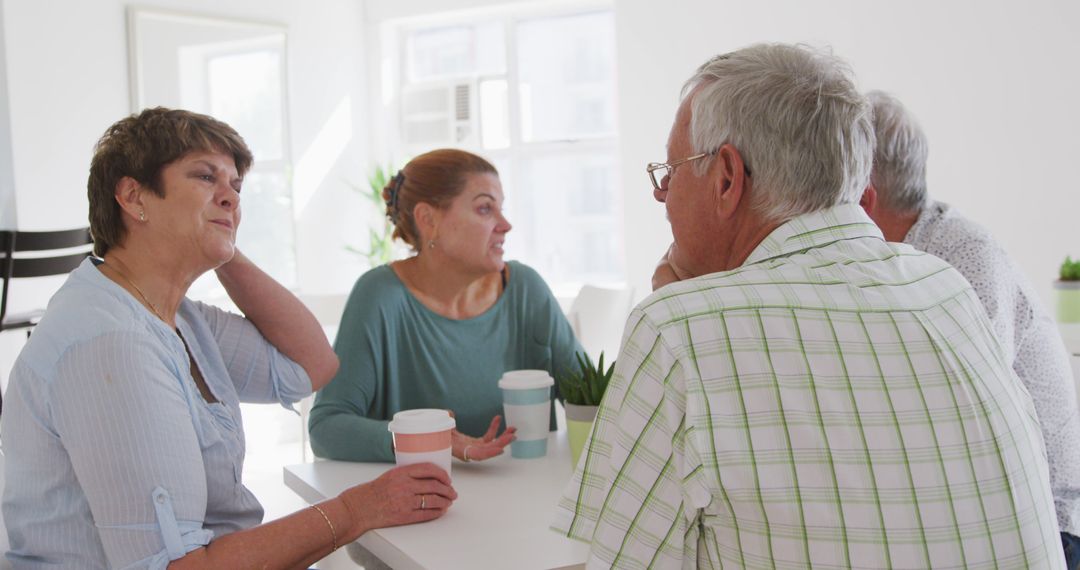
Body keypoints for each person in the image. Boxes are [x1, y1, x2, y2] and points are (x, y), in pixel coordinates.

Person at [553, 44, 1063, 568]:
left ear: (727, 178)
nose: (662, 196)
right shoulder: (948, 290)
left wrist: (684, 305)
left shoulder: (675, 330)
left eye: (671, 170)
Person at [1, 108, 457, 569]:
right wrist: (357, 509)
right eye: (205, 177)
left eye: (236, 188)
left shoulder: (177, 315)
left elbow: (312, 367)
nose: (231, 199)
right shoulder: (110, 342)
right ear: (132, 194)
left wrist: (220, 244)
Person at [860, 89, 1080, 567]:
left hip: (1047, 523)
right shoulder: (899, 254)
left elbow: (972, 409)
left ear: (862, 189)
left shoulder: (963, 253)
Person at [308, 148, 583, 463]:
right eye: (485, 209)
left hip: (528, 495)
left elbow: (598, 402)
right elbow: (326, 428)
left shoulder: (525, 289)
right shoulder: (380, 296)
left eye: (501, 209)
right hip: (429, 503)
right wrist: (427, 440)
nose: (505, 224)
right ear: (429, 220)